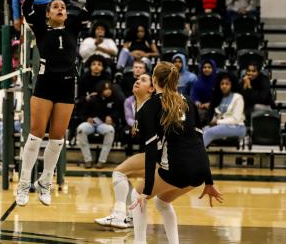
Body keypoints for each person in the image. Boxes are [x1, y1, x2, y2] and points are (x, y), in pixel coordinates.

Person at [15, 0, 95, 206]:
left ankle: (45, 182)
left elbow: (89, 9)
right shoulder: (40, 27)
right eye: (56, 7)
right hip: (45, 83)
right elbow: (27, 7)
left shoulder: (72, 27)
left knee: (58, 138)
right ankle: (24, 182)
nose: (61, 9)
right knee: (36, 135)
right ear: (48, 14)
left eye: (63, 7)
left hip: (67, 84)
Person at [129, 62, 222, 244]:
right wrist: (209, 181)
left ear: (154, 80)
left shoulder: (151, 106)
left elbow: (150, 150)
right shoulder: (188, 100)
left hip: (177, 169)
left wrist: (146, 191)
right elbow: (199, 142)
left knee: (137, 196)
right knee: (162, 202)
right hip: (199, 173)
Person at [95, 73, 154, 229]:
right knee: (127, 179)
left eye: (143, 80)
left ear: (152, 88)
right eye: (137, 78)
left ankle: (119, 215)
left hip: (165, 157)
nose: (137, 80)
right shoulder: (139, 107)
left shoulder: (152, 107)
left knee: (119, 172)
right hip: (160, 156)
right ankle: (130, 217)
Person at [76, 81, 120, 169]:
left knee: (110, 130)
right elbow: (81, 113)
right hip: (91, 124)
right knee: (81, 129)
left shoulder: (115, 99)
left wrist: (112, 118)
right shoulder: (93, 99)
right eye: (106, 89)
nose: (108, 91)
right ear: (101, 90)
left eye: (109, 89)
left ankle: (101, 161)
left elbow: (118, 113)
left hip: (104, 125)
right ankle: (88, 159)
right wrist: (87, 118)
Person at [203, 72, 246, 147]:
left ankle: (195, 156)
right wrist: (214, 121)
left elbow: (236, 119)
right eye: (222, 84)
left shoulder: (238, 97)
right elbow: (217, 115)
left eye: (227, 84)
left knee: (209, 133)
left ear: (231, 85)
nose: (224, 86)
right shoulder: (219, 98)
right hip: (222, 126)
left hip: (237, 127)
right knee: (202, 131)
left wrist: (218, 122)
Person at [0, 78, 23, 160]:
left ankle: (22, 160)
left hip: (17, 123)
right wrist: (5, 117)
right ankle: (5, 160)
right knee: (4, 127)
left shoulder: (21, 94)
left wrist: (16, 117)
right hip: (0, 122)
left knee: (25, 130)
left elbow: (23, 113)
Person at [191, 59, 218, 125]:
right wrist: (197, 102)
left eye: (209, 67)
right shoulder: (198, 82)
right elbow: (194, 95)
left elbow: (219, 96)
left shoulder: (218, 81)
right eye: (204, 67)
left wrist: (210, 104)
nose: (206, 69)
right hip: (201, 108)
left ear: (213, 68)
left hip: (215, 107)